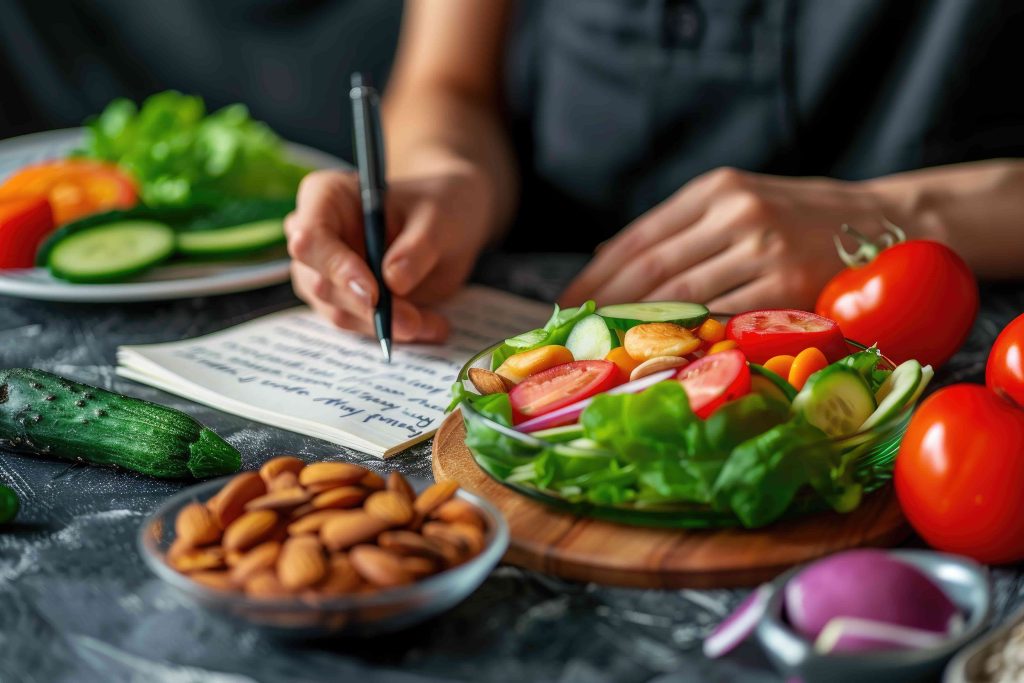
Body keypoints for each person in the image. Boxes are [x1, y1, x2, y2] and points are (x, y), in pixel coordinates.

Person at [286, 0, 1024, 343]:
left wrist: (907, 222)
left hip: (939, 345)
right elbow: (449, 82)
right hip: (541, 308)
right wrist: (448, 178)